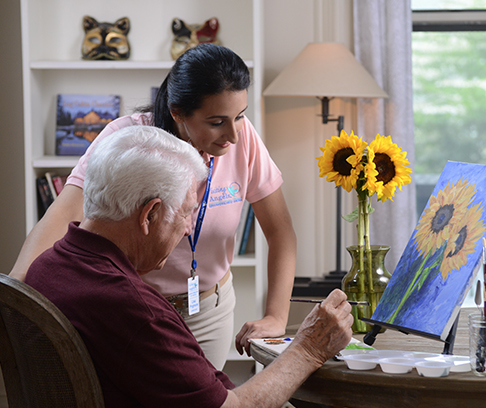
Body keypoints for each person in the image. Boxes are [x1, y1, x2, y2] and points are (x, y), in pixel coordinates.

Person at [10, 43, 297, 369]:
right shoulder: (126, 139)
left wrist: (276, 315)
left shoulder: (242, 140)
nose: (232, 134)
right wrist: (16, 302)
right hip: (132, 309)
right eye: (217, 121)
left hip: (206, 309)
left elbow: (281, 233)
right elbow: (62, 215)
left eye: (240, 117)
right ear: (177, 112)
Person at [24, 126, 353, 408]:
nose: (187, 229)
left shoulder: (45, 268)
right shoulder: (139, 311)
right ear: (149, 215)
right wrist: (309, 349)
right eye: (184, 213)